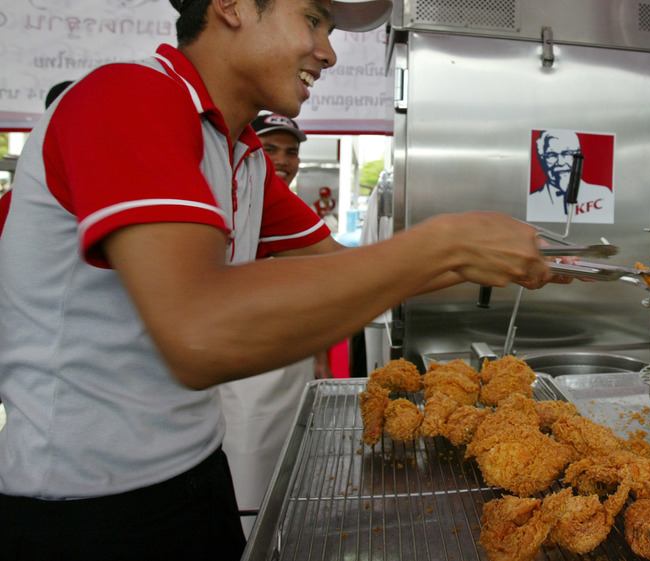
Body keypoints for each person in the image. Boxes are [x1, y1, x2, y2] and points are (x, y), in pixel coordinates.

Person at [0, 1, 559, 560]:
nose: (329, 51)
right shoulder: (126, 98)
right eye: (313, 19)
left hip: (196, 476)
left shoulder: (241, 153)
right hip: (81, 512)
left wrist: (498, 261)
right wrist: (445, 243)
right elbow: (198, 333)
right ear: (233, 5)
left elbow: (342, 268)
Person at [223, 111, 327, 537]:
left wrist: (320, 361)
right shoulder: (229, 198)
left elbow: (323, 284)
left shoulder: (290, 207)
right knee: (250, 492)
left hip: (293, 369)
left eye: (292, 151)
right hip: (244, 380)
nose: (283, 160)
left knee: (292, 488)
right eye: (270, 149)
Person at [527, 129, 615, 224]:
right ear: (541, 159)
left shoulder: (603, 195)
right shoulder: (532, 200)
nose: (560, 162)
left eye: (567, 153)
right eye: (551, 155)